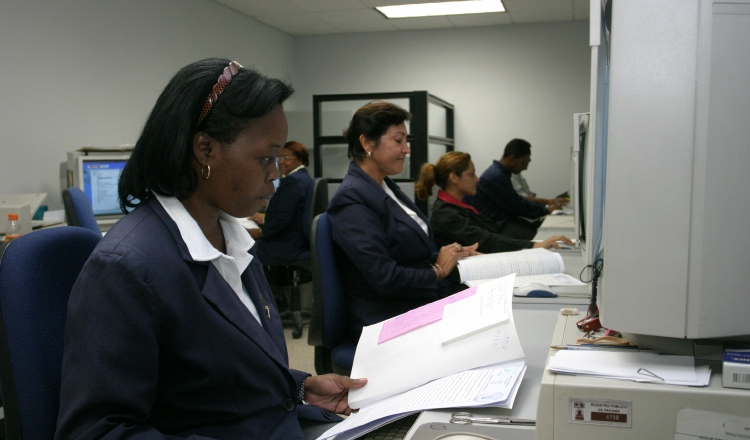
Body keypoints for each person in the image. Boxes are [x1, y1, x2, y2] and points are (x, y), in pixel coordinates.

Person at [55, 58, 365, 440]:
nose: (275, 174)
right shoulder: (126, 268)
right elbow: (94, 433)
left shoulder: (231, 238)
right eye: (265, 158)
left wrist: (299, 386)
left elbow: (216, 374)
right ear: (205, 149)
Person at [326, 101, 479, 344]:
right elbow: (386, 279)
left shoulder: (386, 186)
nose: (406, 149)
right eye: (398, 141)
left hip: (416, 300)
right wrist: (438, 270)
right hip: (389, 317)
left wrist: (449, 255)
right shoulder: (351, 200)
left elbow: (408, 253)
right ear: (367, 143)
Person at [415, 151, 572, 253]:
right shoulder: (446, 213)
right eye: (471, 174)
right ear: (454, 178)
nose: (477, 179)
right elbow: (485, 240)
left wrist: (533, 245)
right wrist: (534, 246)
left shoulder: (458, 207)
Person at [466, 138, 565, 240]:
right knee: (538, 237)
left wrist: (544, 210)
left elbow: (516, 202)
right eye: (523, 161)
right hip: (496, 226)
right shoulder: (496, 177)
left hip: (502, 222)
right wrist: (546, 210)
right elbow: (516, 205)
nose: (527, 164)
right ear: (512, 158)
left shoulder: (500, 173)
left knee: (539, 230)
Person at [250, 141, 313, 266]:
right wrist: (264, 220)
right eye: (280, 158)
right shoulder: (304, 178)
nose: (281, 162)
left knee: (249, 248)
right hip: (298, 240)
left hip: (287, 244)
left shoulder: (292, 181)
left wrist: (262, 232)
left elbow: (283, 217)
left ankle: (266, 286)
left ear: (300, 160)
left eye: (286, 158)